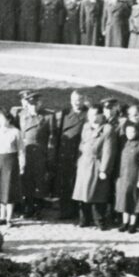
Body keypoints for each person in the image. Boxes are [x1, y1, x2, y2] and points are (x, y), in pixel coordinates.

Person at [72, 102, 118, 229]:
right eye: (90, 115)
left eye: (94, 115)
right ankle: (84, 219)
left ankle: (99, 221)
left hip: (96, 164)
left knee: (98, 194)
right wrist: (79, 160)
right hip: (84, 163)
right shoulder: (86, 126)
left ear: (101, 115)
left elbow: (108, 151)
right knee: (82, 193)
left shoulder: (107, 129)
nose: (92, 117)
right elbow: (82, 143)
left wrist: (104, 169)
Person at [18, 90, 52, 218]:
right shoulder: (22, 115)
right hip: (26, 152)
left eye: (35, 104)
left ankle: (38, 209)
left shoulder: (47, 117)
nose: (33, 107)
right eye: (30, 104)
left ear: (39, 104)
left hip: (39, 153)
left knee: (39, 181)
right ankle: (28, 208)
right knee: (26, 181)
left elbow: (51, 137)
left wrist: (48, 154)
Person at [55, 90, 87, 219]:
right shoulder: (65, 113)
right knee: (65, 184)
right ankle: (65, 212)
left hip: (81, 153)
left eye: (79, 99)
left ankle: (79, 212)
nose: (76, 102)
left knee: (79, 183)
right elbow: (58, 134)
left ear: (83, 99)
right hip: (66, 154)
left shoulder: (87, 114)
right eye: (74, 100)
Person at [0, 111, 24, 228]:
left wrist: (22, 164)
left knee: (9, 189)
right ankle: (1, 217)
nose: (1, 122)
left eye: (3, 119)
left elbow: (21, 149)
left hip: (11, 161)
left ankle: (9, 218)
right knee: (0, 189)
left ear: (9, 119)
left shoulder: (16, 132)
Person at [114, 121, 139, 233]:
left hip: (134, 176)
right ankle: (125, 223)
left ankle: (133, 224)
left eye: (132, 131)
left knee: (134, 200)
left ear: (137, 132)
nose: (130, 133)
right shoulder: (124, 143)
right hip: (123, 177)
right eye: (127, 131)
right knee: (124, 200)